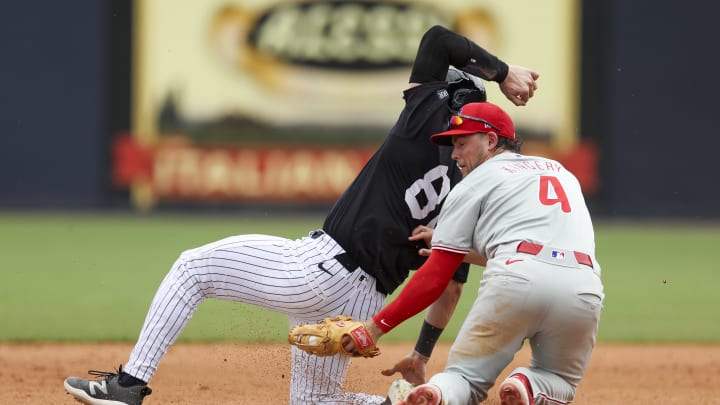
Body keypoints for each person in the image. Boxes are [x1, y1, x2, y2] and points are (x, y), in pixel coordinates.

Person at [63, 25, 539, 405]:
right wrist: (420, 353)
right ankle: (404, 404)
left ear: (445, 96)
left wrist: (500, 71)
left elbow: (438, 40)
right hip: (364, 299)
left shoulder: (423, 118)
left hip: (322, 270)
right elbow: (451, 285)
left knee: (192, 268)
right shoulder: (469, 188)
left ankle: (128, 386)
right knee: (316, 401)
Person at [336, 101, 604, 405]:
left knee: (464, 380)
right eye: (453, 145)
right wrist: (456, 246)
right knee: (560, 381)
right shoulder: (561, 171)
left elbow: (436, 277)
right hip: (583, 288)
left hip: (516, 279)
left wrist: (374, 328)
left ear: (490, 141)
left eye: (462, 143)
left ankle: (437, 394)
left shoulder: (472, 183)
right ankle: (527, 386)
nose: (454, 154)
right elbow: (541, 249)